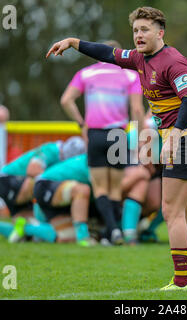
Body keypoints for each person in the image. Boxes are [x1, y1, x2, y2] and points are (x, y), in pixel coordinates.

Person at [46, 6, 187, 290]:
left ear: (160, 33)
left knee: (172, 212)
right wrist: (73, 42)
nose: (138, 35)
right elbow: (107, 53)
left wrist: (175, 135)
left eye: (144, 30)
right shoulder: (139, 58)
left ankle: (181, 283)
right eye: (135, 30)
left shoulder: (174, 61)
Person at [60, 40, 144, 245]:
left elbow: (65, 100)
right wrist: (141, 137)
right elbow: (138, 110)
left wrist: (81, 123)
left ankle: (112, 230)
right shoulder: (130, 75)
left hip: (96, 134)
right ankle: (113, 231)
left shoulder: (86, 73)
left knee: (100, 188)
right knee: (116, 188)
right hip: (119, 134)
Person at [0, 137, 86, 241]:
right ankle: (38, 217)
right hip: (9, 181)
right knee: (42, 183)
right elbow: (32, 171)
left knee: (28, 233)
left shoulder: (58, 152)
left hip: (10, 183)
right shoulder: (52, 150)